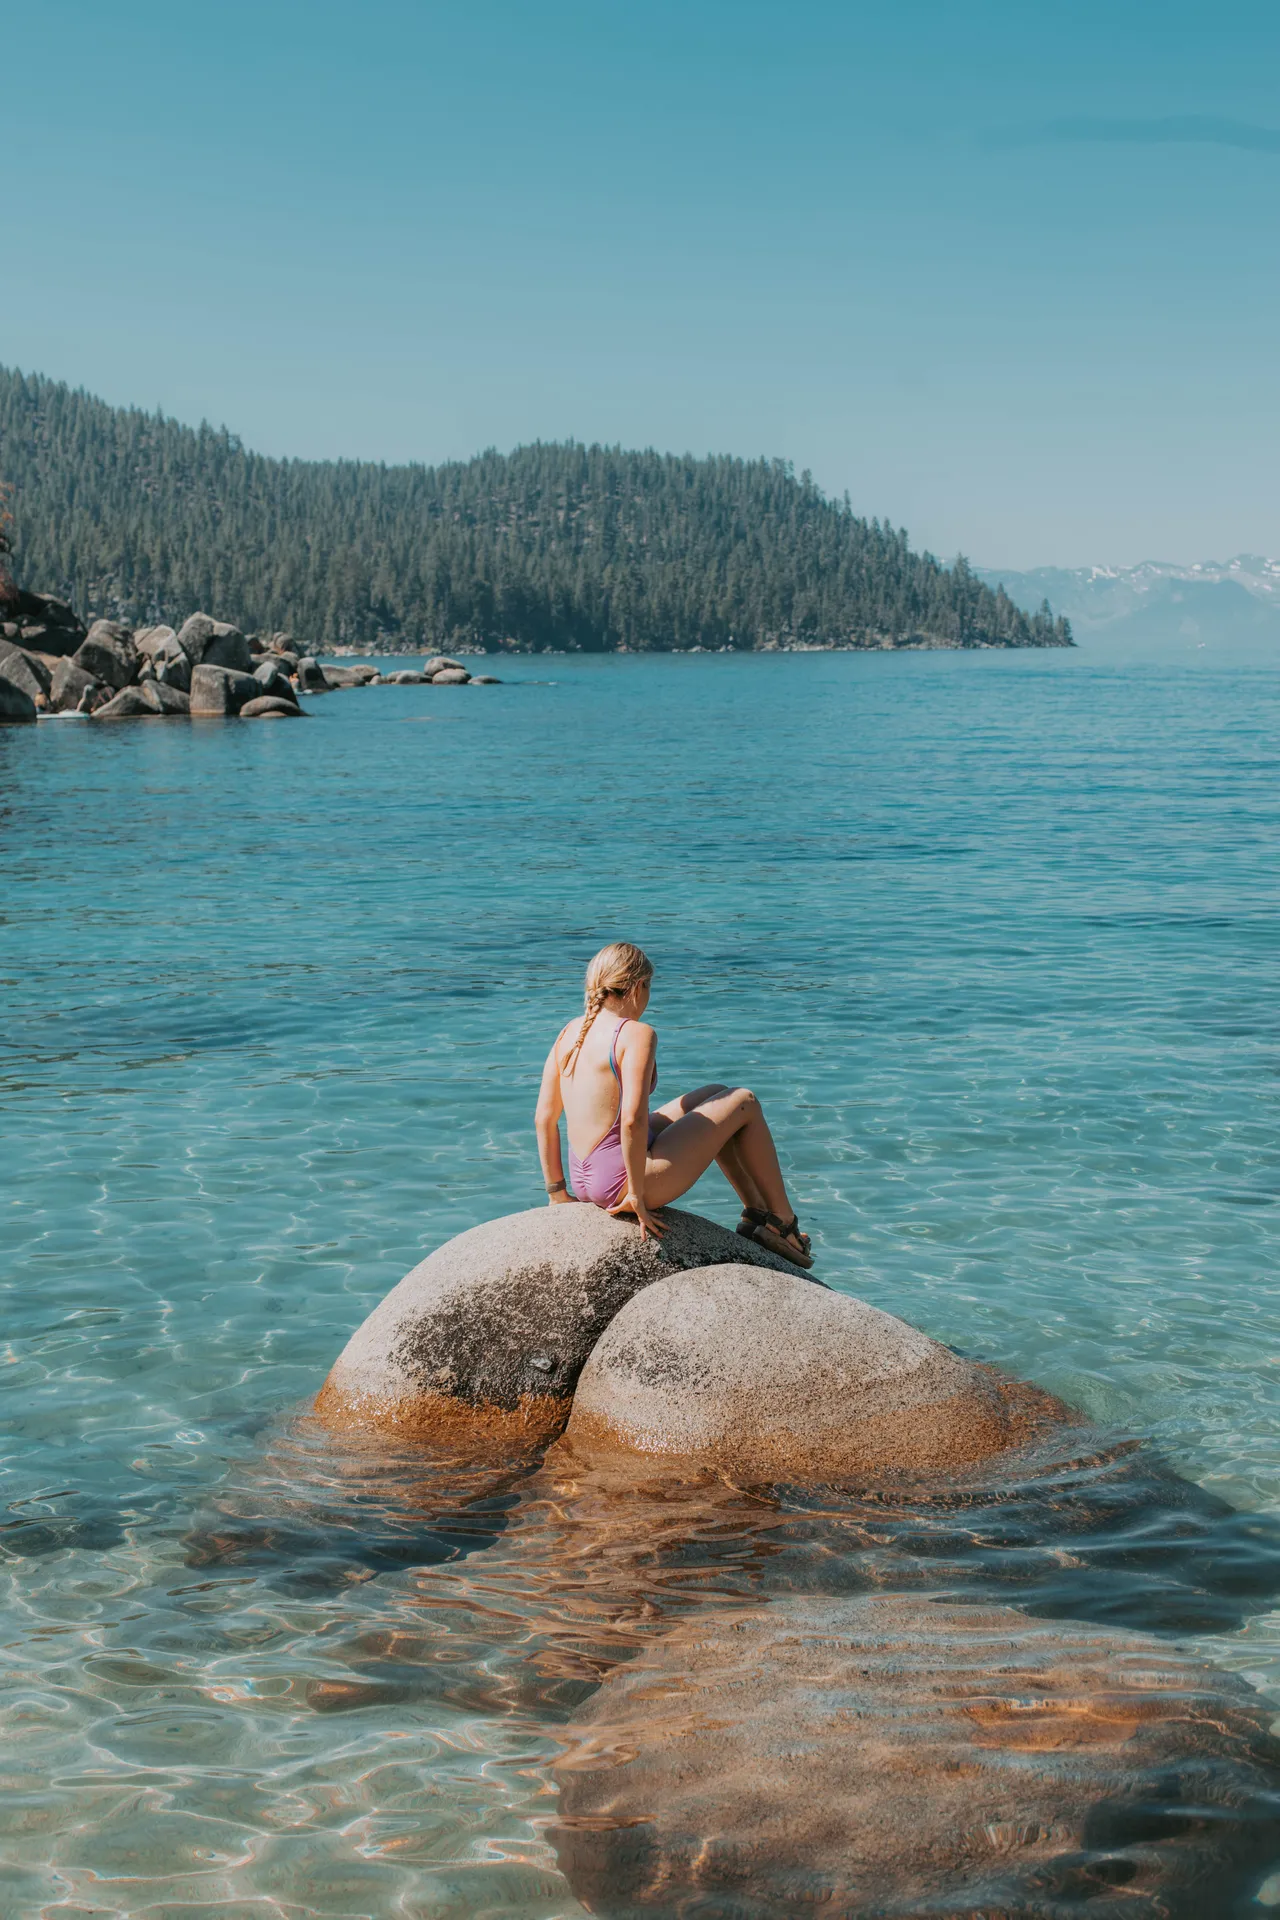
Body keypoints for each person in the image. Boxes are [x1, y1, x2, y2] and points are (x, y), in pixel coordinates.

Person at [534, 941, 813, 1268]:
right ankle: (782, 1221)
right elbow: (631, 1121)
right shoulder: (636, 1034)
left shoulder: (570, 1032)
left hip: (585, 1179)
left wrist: (557, 1192)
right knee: (744, 1101)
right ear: (639, 987)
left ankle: (755, 1213)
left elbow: (544, 1118)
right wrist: (637, 1195)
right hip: (624, 1182)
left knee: (718, 1094)